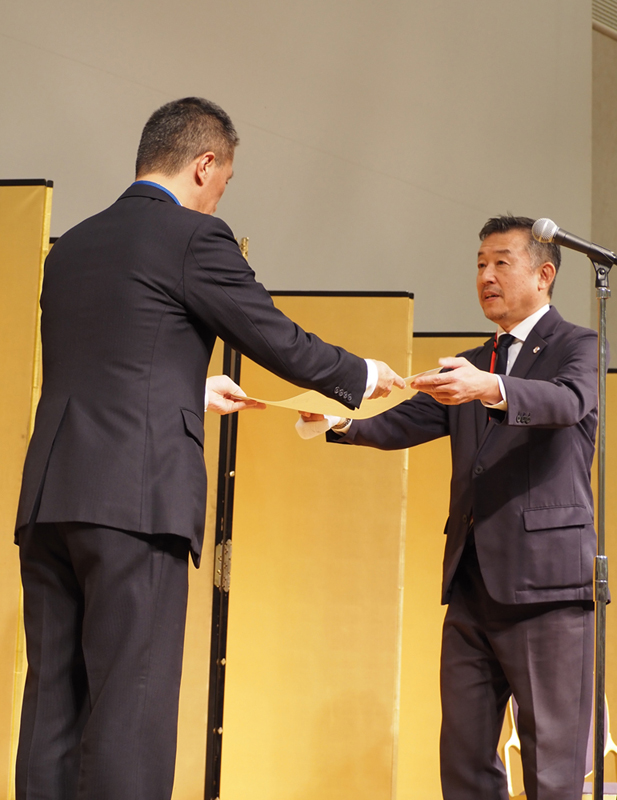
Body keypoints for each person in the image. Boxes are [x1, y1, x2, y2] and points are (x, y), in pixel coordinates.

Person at [13, 96, 405, 800]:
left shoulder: (70, 246)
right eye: (224, 180)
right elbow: (271, 334)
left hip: (51, 497)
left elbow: (107, 359)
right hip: (136, 499)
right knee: (130, 704)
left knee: (52, 706)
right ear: (203, 164)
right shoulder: (193, 236)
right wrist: (360, 374)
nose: (221, 195)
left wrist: (188, 389)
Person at [300, 215, 598, 800]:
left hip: (547, 588)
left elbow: (568, 402)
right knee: (462, 760)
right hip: (470, 583)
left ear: (544, 274)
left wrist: (491, 388)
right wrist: (339, 421)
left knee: (551, 767)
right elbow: (404, 422)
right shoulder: (471, 361)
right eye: (480, 264)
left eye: (501, 263)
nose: (486, 276)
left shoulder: (578, 345)